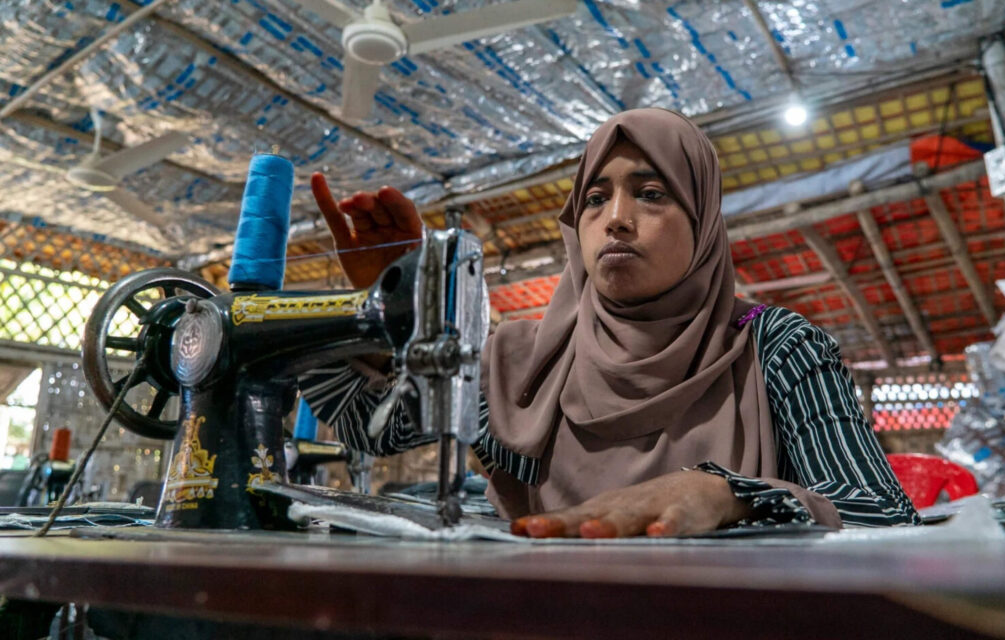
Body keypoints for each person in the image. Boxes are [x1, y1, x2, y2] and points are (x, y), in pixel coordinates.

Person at [300, 108, 920, 538]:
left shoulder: (777, 347)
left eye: (651, 193)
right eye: (595, 199)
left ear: (703, 221)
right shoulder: (519, 364)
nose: (616, 219)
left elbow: (881, 513)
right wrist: (398, 312)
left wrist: (724, 494)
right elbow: (367, 431)